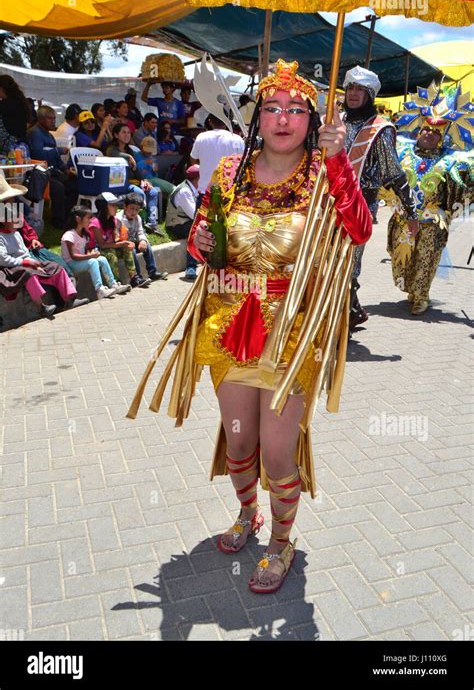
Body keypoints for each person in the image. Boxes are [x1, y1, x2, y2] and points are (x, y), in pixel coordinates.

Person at [130, 60, 372, 594]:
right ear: (258, 116)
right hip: (226, 323)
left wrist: (339, 164)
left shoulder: (322, 174)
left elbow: (358, 231)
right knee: (241, 442)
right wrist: (202, 246)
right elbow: (200, 236)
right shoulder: (229, 172)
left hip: (293, 329)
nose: (283, 119)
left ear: (312, 120)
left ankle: (282, 543)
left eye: (295, 110)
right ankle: (246, 513)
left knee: (278, 448)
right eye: (272, 108)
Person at [385, 85, 474, 314]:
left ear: (442, 137)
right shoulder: (402, 152)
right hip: (402, 219)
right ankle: (412, 290)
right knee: (401, 263)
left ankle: (421, 296)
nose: (430, 134)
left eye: (436, 133)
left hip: (432, 222)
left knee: (426, 260)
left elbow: (467, 184)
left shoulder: (452, 161)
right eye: (427, 130)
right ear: (419, 130)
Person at [341, 65, 418, 330]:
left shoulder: (379, 129)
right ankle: (348, 310)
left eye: (359, 90)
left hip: (358, 207)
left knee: (348, 265)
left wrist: (411, 212)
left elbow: (394, 174)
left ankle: (344, 318)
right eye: (350, 88)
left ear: (369, 95)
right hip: (324, 205)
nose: (353, 94)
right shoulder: (335, 119)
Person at [0, 182, 88, 316]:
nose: (12, 201)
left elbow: (26, 232)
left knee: (57, 265)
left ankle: (69, 299)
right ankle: (43, 307)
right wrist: (28, 262)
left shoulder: (15, 218)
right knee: (29, 272)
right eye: (8, 199)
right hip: (14, 264)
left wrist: (34, 241)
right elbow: (4, 257)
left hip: (29, 252)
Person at [27, 106, 79, 229]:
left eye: (54, 118)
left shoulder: (49, 135)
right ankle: (58, 220)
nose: (53, 121)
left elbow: (56, 160)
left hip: (52, 170)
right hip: (39, 173)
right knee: (58, 187)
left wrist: (66, 169)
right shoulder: (35, 133)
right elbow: (38, 155)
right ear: (41, 119)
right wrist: (58, 150)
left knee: (74, 184)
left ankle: (67, 216)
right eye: (50, 118)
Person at [106, 123, 162, 235]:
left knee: (153, 192)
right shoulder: (111, 148)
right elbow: (114, 154)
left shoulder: (129, 150)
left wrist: (143, 180)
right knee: (140, 193)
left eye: (128, 132)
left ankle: (152, 223)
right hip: (120, 183)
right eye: (123, 132)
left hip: (134, 181)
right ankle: (140, 224)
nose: (127, 135)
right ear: (116, 135)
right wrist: (128, 156)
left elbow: (135, 169)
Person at [61, 205, 124, 300]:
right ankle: (99, 289)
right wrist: (90, 256)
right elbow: (73, 256)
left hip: (80, 261)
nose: (90, 221)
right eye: (88, 218)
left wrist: (92, 253)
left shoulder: (84, 235)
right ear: (78, 219)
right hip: (71, 264)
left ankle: (113, 283)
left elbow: (85, 251)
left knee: (102, 259)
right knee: (93, 262)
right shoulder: (69, 235)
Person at [190, 114, 245, 202]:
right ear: (227, 122)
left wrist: (203, 169)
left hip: (205, 190)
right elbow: (243, 164)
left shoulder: (201, 137)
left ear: (210, 122)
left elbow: (193, 160)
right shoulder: (237, 139)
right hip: (229, 192)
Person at [116, 193, 168, 284]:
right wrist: (127, 243)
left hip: (132, 242)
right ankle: (137, 277)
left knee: (146, 244)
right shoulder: (118, 219)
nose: (134, 212)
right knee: (131, 250)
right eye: (132, 208)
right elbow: (117, 237)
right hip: (122, 245)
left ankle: (152, 272)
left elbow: (140, 232)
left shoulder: (138, 218)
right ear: (125, 206)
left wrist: (143, 241)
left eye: (137, 210)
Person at [88, 192, 137, 289]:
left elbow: (115, 240)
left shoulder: (113, 221)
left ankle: (134, 278)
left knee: (126, 249)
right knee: (111, 255)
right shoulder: (95, 223)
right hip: (97, 250)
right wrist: (120, 244)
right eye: (112, 205)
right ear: (104, 207)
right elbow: (102, 245)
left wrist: (125, 242)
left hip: (110, 247)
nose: (116, 207)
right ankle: (116, 281)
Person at [165, 164, 200, 281]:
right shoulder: (185, 191)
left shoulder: (191, 188)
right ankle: (191, 267)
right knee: (195, 231)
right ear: (197, 179)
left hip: (185, 221)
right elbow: (194, 215)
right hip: (176, 224)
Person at [0, 75, 30, 153]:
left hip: (8, 149)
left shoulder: (4, 105)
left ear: (1, 88)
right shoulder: (20, 101)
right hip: (22, 146)